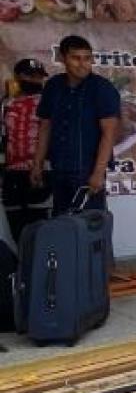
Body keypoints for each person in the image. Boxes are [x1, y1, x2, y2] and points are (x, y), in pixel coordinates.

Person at [31, 36, 120, 215]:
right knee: (62, 223)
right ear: (63, 58)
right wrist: (37, 164)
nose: (83, 64)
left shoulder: (102, 88)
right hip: (59, 168)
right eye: (76, 58)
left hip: (87, 171)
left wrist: (98, 173)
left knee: (89, 225)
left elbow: (109, 133)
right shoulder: (53, 86)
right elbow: (45, 127)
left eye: (87, 58)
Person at [1, 59, 52, 241]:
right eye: (30, 76)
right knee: (15, 225)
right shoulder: (6, 104)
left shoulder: (49, 102)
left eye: (39, 77)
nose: (35, 80)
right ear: (18, 77)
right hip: (12, 173)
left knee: (40, 225)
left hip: (40, 171)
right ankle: (22, 267)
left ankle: (42, 267)